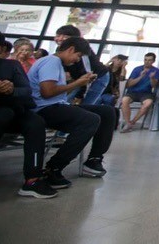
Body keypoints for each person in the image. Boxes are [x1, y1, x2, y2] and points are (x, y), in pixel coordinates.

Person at [28, 37, 116, 186]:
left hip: (57, 105)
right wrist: (77, 83)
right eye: (78, 56)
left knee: (108, 112)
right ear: (71, 50)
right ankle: (54, 167)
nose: (77, 60)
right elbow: (47, 92)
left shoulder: (56, 64)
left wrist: (78, 82)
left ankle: (94, 159)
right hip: (44, 109)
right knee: (90, 120)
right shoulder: (51, 62)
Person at [0, 31, 56, 198]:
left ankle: (33, 179)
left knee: (35, 122)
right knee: (3, 114)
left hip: (14, 110)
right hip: (2, 113)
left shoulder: (10, 66)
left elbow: (26, 91)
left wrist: (11, 89)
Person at [120, 52, 159, 132]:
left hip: (146, 93)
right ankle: (128, 123)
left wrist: (152, 78)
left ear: (153, 61)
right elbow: (129, 84)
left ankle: (132, 123)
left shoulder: (156, 70)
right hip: (133, 92)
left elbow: (154, 86)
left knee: (148, 103)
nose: (146, 62)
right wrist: (141, 76)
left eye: (149, 60)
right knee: (124, 100)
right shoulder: (137, 69)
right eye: (145, 60)